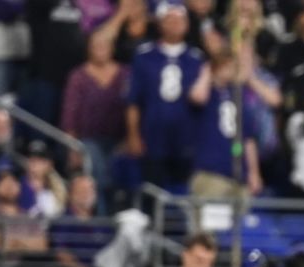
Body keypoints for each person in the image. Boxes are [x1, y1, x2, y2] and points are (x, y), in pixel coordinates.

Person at [126, 1, 205, 191]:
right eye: (170, 19)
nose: (176, 24)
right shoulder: (144, 56)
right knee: (152, 189)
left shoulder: (196, 58)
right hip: (153, 136)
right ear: (160, 23)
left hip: (186, 137)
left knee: (184, 190)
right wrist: (133, 135)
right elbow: (133, 100)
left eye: (180, 19)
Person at [60, 27, 130, 212]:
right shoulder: (79, 77)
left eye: (104, 45)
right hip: (88, 140)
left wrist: (130, 139)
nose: (100, 49)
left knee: (121, 170)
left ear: (112, 48)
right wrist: (73, 147)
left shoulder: (125, 74)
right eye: (96, 45)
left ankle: (118, 211)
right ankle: (102, 216)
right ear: (88, 48)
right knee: (97, 171)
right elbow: (70, 113)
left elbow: (133, 108)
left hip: (120, 140)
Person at [187, 50, 263, 199]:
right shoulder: (208, 92)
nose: (232, 69)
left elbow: (248, 139)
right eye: (227, 65)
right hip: (211, 172)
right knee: (211, 221)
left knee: (238, 221)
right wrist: (207, 73)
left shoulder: (239, 96)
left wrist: (254, 173)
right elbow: (197, 97)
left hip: (240, 175)